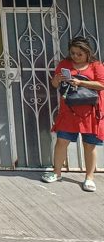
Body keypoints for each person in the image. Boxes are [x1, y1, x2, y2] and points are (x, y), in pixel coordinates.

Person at [42, 37, 104, 191]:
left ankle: (89, 178)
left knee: (89, 145)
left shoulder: (96, 65)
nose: (75, 56)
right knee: (62, 141)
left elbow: (102, 84)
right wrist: (57, 79)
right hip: (69, 110)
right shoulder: (65, 64)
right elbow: (55, 85)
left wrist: (80, 82)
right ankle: (57, 173)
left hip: (90, 112)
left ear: (87, 53)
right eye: (73, 53)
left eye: (79, 54)